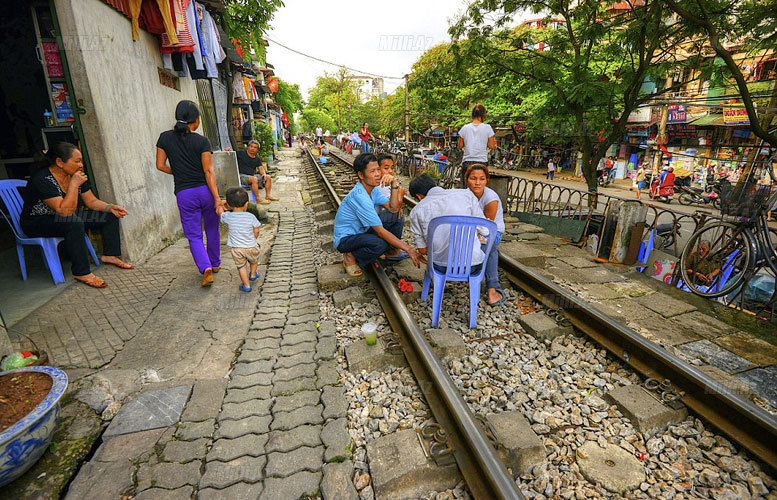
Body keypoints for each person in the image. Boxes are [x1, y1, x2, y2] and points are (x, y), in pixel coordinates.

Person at [20, 142, 132, 288]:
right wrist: (73, 185)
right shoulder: (43, 179)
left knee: (108, 216)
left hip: (62, 217)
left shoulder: (76, 175)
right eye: (77, 161)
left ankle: (110, 255)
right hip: (36, 222)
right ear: (60, 162)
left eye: (81, 161)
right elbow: (65, 211)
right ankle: (81, 272)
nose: (81, 165)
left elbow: (91, 201)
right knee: (74, 221)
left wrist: (110, 207)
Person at [156, 100, 225, 287]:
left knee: (194, 235)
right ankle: (216, 263)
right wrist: (217, 199)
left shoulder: (164, 138)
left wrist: (177, 172)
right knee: (211, 228)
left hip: (184, 194)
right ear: (195, 120)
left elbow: (160, 165)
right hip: (205, 192)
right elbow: (208, 171)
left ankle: (205, 268)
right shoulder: (202, 141)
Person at [333, 153, 420, 276]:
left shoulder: (373, 190)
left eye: (378, 169)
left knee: (396, 216)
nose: (378, 174)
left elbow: (393, 208)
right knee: (380, 244)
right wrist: (408, 248)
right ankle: (350, 255)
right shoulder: (360, 196)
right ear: (361, 175)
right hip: (346, 239)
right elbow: (380, 231)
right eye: (373, 171)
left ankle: (391, 251)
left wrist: (394, 184)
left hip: (362, 232)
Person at [408, 174, 489, 273]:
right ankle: (492, 286)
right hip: (471, 266)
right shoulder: (467, 195)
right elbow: (485, 230)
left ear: (419, 196)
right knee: (489, 244)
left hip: (441, 267)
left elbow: (423, 250)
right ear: (435, 184)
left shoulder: (416, 211)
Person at [464, 164, 507, 306]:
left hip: (492, 231)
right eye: (473, 178)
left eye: (481, 179)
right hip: (472, 231)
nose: (477, 183)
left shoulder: (491, 198)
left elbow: (487, 228)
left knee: (488, 247)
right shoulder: (464, 195)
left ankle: (492, 289)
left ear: (486, 180)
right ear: (467, 179)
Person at [221, 187, 261, 292]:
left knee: (241, 267)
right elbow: (256, 229)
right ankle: (253, 274)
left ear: (228, 205)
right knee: (254, 261)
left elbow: (219, 213)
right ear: (246, 204)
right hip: (251, 246)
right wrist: (254, 238)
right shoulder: (250, 216)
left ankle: (247, 286)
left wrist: (221, 204)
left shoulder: (228, 216)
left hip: (237, 249)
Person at [373, 154, 407, 260]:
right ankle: (393, 251)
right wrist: (400, 194)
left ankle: (391, 248)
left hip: (373, 221)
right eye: (386, 168)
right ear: (378, 170)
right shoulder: (382, 186)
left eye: (392, 168)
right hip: (373, 225)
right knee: (398, 216)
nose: (390, 171)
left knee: (396, 213)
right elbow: (395, 208)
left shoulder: (380, 182)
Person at [458, 105, 495, 186]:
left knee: (466, 189)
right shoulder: (488, 128)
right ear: (483, 114)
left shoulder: (464, 128)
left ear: (472, 114)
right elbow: (492, 146)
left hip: (467, 162)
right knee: (480, 188)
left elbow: (460, 146)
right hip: (482, 162)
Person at [237, 140, 277, 205]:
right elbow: (231, 153)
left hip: (251, 176)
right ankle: (258, 199)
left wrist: (264, 174)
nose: (252, 148)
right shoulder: (241, 153)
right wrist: (228, 150)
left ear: (257, 149)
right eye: (251, 146)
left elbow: (261, 168)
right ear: (248, 147)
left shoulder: (257, 158)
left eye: (255, 147)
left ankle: (268, 196)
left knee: (268, 177)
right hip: (241, 176)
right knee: (254, 179)